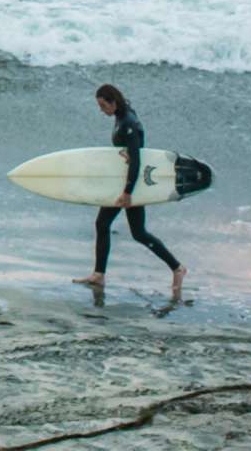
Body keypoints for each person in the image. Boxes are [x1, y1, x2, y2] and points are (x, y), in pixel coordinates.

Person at [72, 83, 185, 295]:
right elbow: (130, 154)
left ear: (113, 102)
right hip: (126, 182)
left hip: (131, 185)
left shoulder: (129, 123)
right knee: (132, 231)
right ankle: (99, 275)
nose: (101, 110)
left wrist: (127, 192)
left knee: (115, 226)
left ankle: (177, 268)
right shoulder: (122, 115)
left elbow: (136, 161)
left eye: (103, 105)